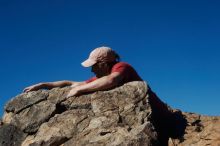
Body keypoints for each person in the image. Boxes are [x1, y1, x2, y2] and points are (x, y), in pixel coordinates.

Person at [23, 46, 142, 98]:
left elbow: (111, 80)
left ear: (103, 64)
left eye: (94, 66)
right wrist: (43, 85)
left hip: (158, 117)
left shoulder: (122, 66)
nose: (91, 70)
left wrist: (80, 89)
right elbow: (69, 83)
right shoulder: (100, 78)